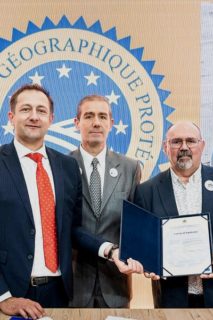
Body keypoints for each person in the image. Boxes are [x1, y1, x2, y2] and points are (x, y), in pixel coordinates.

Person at [0, 84, 103, 319]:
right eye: (26, 109)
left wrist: (108, 249)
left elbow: (72, 228)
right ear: (11, 117)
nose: (34, 116)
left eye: (41, 110)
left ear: (51, 118)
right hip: (11, 293)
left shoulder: (67, 167)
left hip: (59, 291)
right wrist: (3, 297)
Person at [134, 121, 213, 308]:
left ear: (202, 145)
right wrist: (149, 262)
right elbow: (142, 240)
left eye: (191, 141)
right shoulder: (146, 191)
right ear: (165, 147)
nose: (184, 147)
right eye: (176, 142)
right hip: (172, 299)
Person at [70, 95, 143, 308]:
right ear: (77, 123)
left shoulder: (131, 168)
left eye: (102, 116)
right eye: (89, 116)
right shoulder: (62, 166)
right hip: (73, 284)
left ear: (111, 123)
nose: (96, 122)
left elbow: (136, 224)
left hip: (116, 284)